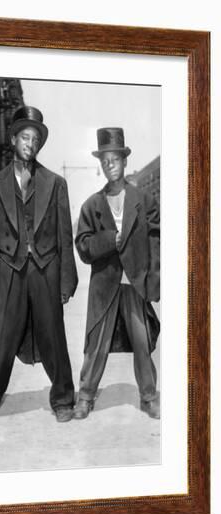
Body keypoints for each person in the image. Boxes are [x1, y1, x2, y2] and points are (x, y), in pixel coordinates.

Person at [0, 106, 78, 424]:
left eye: (35, 139)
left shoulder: (56, 183)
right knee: (2, 337)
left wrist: (66, 282)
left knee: (53, 335)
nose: (30, 143)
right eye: (25, 136)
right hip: (9, 269)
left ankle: (63, 397)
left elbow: (65, 235)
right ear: (13, 139)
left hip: (46, 267)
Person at [73, 127, 160, 420]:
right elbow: (83, 245)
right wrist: (110, 240)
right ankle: (85, 396)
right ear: (101, 164)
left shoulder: (143, 199)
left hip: (134, 282)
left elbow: (156, 238)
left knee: (141, 341)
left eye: (115, 159)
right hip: (105, 284)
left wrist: (154, 276)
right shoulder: (92, 205)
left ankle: (149, 396)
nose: (110, 164)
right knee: (96, 343)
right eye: (105, 160)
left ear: (124, 161)